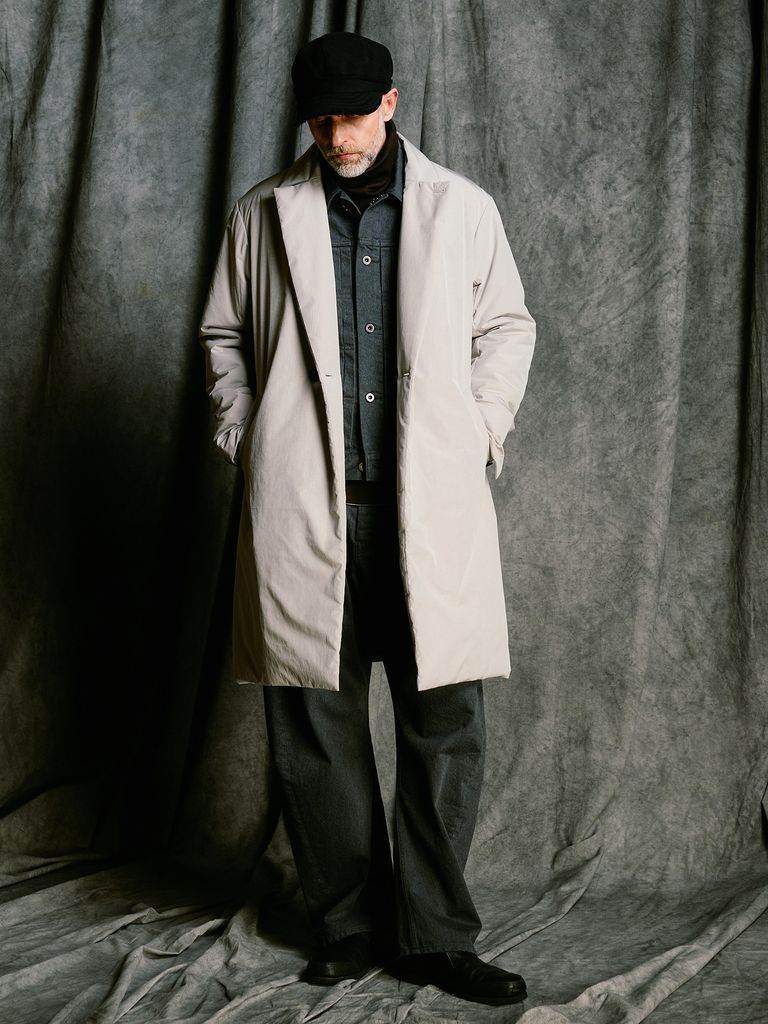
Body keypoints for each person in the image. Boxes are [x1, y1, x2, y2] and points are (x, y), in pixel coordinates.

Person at [199, 31, 536, 1008]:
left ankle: (435, 937)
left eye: (353, 116)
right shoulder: (263, 212)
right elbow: (224, 334)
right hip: (313, 511)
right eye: (321, 121)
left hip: (428, 512)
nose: (337, 137)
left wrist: (479, 431)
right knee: (315, 726)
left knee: (445, 727)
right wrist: (247, 434)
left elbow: (506, 326)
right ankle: (348, 925)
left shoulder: (461, 208)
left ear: (389, 103)